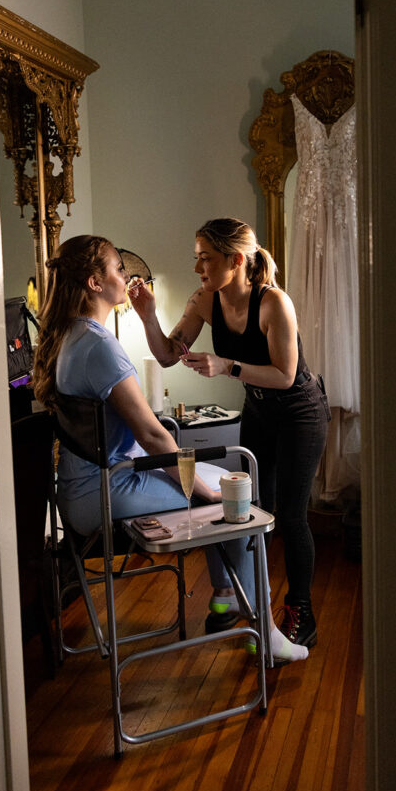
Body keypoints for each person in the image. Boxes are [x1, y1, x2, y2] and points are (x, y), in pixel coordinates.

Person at [31, 234, 308, 664]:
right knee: (235, 492)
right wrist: (200, 489)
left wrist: (148, 315)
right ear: (94, 283)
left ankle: (228, 596)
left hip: (84, 485)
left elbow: (155, 386)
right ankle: (265, 630)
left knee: (220, 484)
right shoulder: (99, 347)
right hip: (102, 489)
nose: (127, 273)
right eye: (118, 268)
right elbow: (153, 436)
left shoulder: (74, 334)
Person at [129, 218, 330, 649]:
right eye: (196, 258)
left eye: (207, 258)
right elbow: (166, 354)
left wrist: (227, 366)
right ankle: (249, 603)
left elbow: (285, 374)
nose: (199, 268)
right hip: (258, 410)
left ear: (236, 260)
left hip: (300, 412)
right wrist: (148, 315)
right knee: (253, 508)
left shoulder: (274, 302)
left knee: (291, 516)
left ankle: (301, 612)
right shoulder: (205, 300)